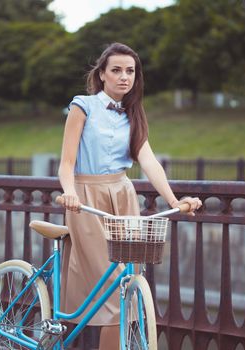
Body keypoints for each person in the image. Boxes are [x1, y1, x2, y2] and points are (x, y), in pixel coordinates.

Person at [58, 42, 202, 349]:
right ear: (102, 74)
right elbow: (67, 163)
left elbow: (149, 161)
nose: (124, 77)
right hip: (86, 199)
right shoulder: (82, 106)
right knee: (110, 288)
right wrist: (69, 192)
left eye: (130, 71)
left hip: (123, 199)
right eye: (116, 70)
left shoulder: (133, 114)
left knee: (125, 289)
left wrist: (174, 201)